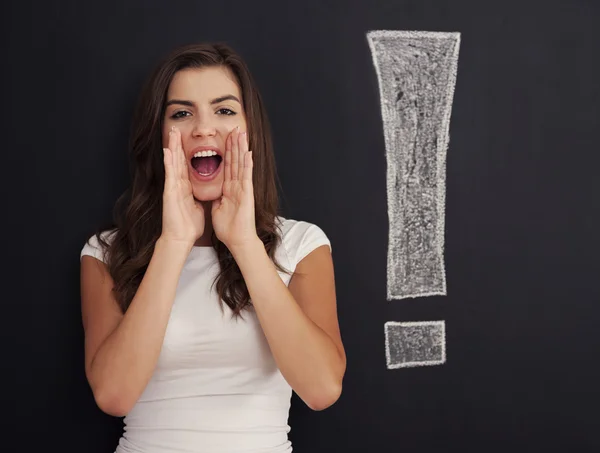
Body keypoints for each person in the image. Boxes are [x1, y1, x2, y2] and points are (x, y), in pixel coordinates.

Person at [79, 42, 346, 453]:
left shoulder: (301, 245)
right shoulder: (106, 252)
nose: (204, 128)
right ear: (159, 135)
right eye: (182, 113)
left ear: (249, 129)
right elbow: (113, 396)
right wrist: (174, 242)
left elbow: (322, 388)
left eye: (224, 110)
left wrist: (243, 242)